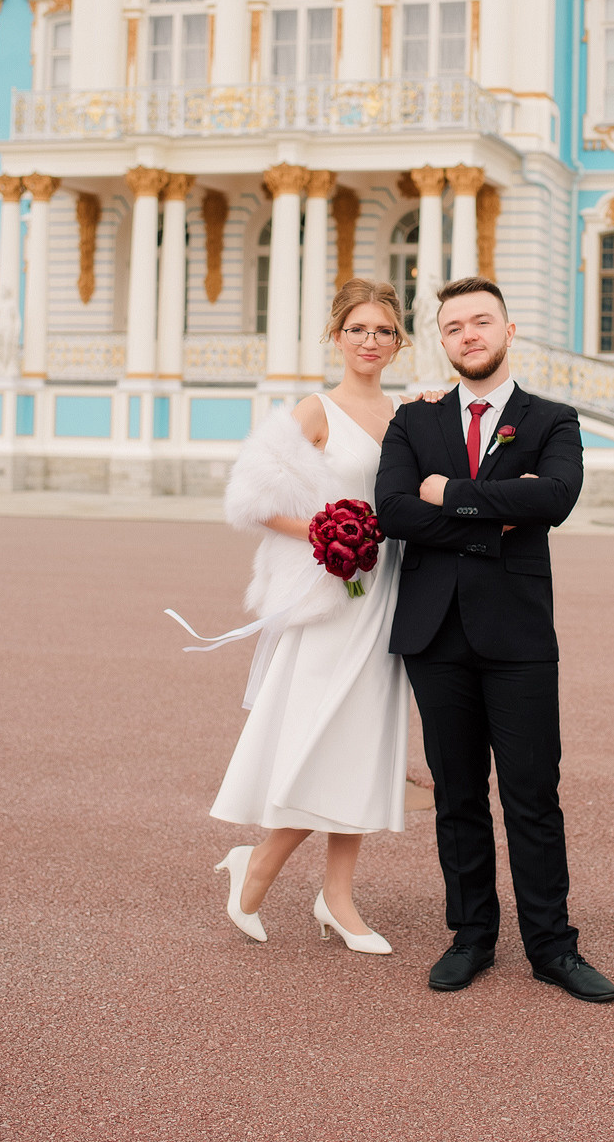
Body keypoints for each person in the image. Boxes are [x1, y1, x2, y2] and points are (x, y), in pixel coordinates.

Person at [375, 275, 614, 1003]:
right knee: (457, 795)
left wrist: (449, 494)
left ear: (508, 331)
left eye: (481, 322)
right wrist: (494, 521)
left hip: (517, 636)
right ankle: (471, 936)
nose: (469, 335)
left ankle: (552, 947)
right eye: (454, 327)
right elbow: (393, 511)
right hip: (434, 633)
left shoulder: (553, 420)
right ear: (442, 341)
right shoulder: (413, 421)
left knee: (532, 795)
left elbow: (554, 498)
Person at [209, 278, 415, 953]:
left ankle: (338, 897)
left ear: (399, 341)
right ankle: (260, 862)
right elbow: (252, 500)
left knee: (362, 741)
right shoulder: (315, 410)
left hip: (389, 595)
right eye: (358, 329)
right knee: (322, 736)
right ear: (337, 336)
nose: (370, 341)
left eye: (383, 331)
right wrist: (328, 535)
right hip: (337, 597)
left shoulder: (408, 414)